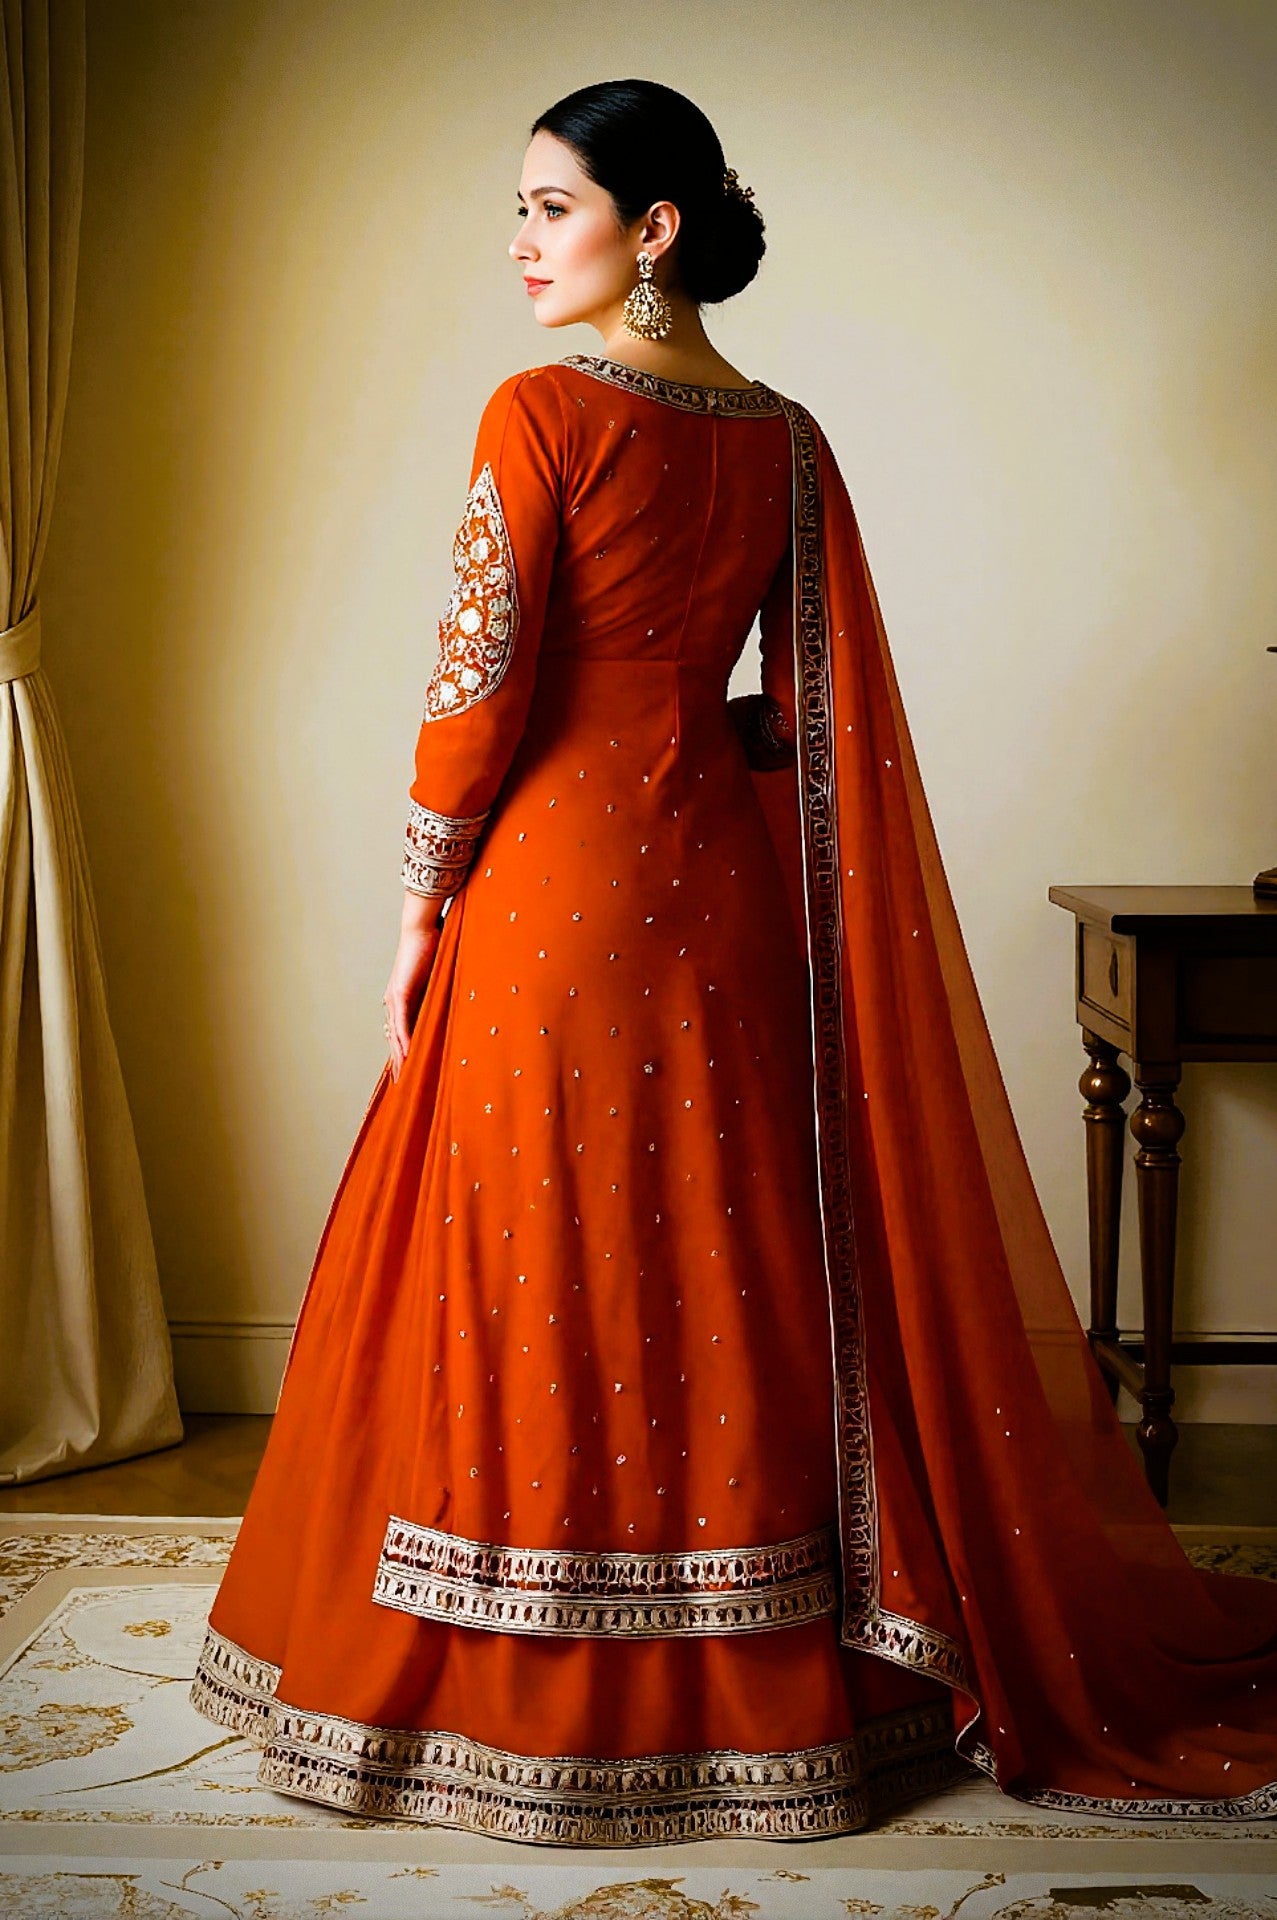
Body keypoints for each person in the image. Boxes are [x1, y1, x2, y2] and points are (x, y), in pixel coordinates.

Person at [190, 78, 1277, 1843]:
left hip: (553, 883)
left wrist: (416, 896)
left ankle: (525, 1683)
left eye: (550, 205)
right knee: (716, 1240)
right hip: (716, 880)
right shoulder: (782, 434)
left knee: (535, 1235)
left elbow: (478, 679)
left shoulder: (540, 412)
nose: (521, 239)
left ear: (655, 228)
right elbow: (812, 707)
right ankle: (774, 1670)